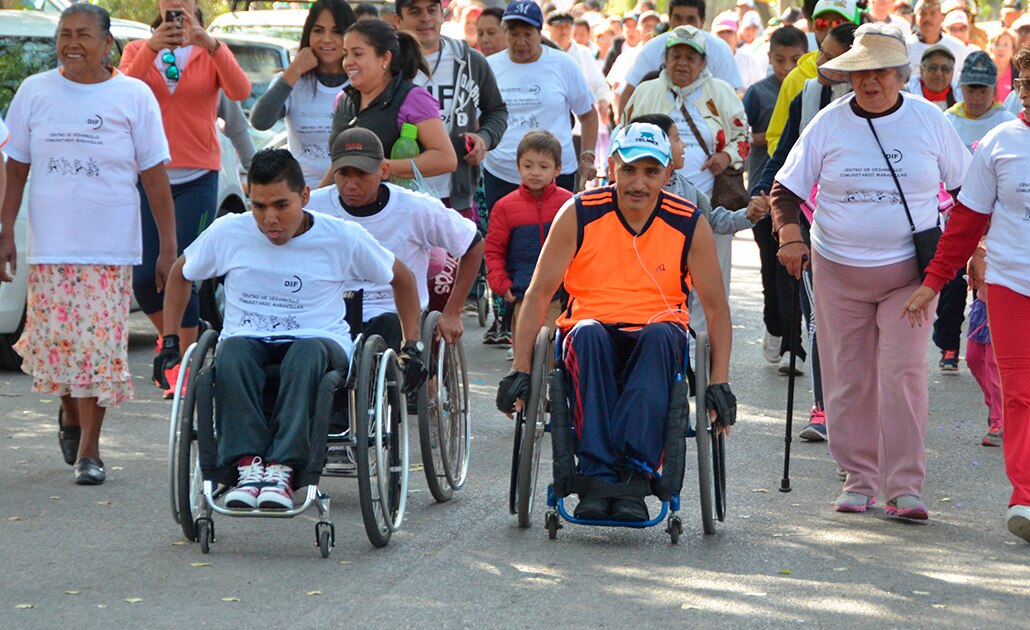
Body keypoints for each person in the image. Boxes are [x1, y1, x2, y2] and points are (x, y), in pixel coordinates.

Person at [773, 23, 971, 520]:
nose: (871, 81)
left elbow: (968, 193)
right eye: (861, 71)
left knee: (904, 373)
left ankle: (904, 486)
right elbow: (786, 190)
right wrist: (791, 237)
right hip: (838, 272)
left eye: (881, 71)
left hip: (909, 277)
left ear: (902, 75)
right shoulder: (828, 123)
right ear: (849, 75)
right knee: (849, 376)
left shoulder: (929, 121)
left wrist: (975, 250)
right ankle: (859, 477)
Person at [153, 149, 426, 509]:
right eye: (259, 206)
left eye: (281, 205)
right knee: (230, 353)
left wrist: (412, 346)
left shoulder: (341, 236)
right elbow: (180, 274)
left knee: (305, 353)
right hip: (247, 337)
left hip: (317, 340)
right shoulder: (229, 232)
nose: (270, 219)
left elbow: (402, 279)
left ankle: (283, 467)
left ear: (305, 196)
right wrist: (170, 340)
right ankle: (248, 466)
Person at [495, 122, 735, 522]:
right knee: (587, 336)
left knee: (662, 337)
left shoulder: (688, 222)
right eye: (629, 170)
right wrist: (520, 369)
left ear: (668, 174)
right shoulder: (579, 212)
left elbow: (716, 307)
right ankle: (597, 472)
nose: (639, 183)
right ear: (612, 168)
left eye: (651, 172)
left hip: (659, 329)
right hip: (591, 326)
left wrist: (719, 381)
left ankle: (632, 474)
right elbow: (538, 294)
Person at [0, 4, 176, 485]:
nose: (72, 43)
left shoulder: (133, 95)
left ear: (107, 43)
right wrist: (5, 231)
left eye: (83, 34)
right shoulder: (35, 92)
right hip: (51, 246)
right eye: (65, 34)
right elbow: (16, 168)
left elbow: (154, 177)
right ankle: (69, 412)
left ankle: (90, 452)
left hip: (109, 247)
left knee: (98, 351)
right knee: (56, 346)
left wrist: (168, 247)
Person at [901, 50, 1030, 543]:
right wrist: (934, 281)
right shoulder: (1000, 143)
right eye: (1026, 83)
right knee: (1020, 392)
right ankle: (1025, 496)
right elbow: (965, 222)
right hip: (1012, 285)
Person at [120, 0, 251, 397]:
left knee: (185, 270)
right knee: (145, 277)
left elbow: (241, 90)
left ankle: (183, 363)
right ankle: (170, 340)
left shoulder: (211, 50)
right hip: (147, 175)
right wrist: (151, 48)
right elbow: (121, 94)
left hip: (198, 175)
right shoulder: (137, 49)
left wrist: (210, 44)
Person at [751, 22, 858, 441]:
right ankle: (823, 409)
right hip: (817, 225)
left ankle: (863, 412)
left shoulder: (886, 103)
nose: (820, 63)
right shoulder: (808, 94)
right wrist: (763, 191)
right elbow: (784, 157)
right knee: (819, 319)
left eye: (832, 57)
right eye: (821, 52)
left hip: (874, 237)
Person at [306, 128, 483, 350]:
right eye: (343, 173)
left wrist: (453, 312)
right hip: (332, 314)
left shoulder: (416, 208)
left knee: (390, 327)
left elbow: (473, 244)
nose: (351, 184)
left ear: (383, 170)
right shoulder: (314, 207)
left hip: (396, 314)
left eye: (361, 174)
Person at [621, 25, 751, 303]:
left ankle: (705, 333)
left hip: (710, 201)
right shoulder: (645, 92)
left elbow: (743, 136)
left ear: (703, 62)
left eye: (690, 58)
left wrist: (726, 156)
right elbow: (623, 136)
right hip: (651, 204)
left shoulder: (722, 93)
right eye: (676, 56)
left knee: (709, 284)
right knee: (654, 278)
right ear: (665, 59)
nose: (682, 63)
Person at [932, 52, 1018, 373]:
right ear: (961, 88)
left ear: (993, 88)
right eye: (971, 89)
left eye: (983, 90)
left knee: (989, 284)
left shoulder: (1007, 122)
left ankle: (991, 341)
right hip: (955, 213)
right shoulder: (947, 120)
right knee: (953, 280)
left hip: (997, 217)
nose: (977, 97)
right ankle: (949, 344)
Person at [395, 0, 508, 224]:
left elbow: (497, 111)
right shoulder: (388, 63)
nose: (425, 18)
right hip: (401, 195)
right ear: (398, 20)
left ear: (442, 15)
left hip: (456, 194)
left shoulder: (471, 61)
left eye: (431, 10)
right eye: (415, 12)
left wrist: (483, 138)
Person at [483, 0, 597, 209]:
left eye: (528, 34)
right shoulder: (489, 67)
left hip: (556, 176)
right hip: (502, 175)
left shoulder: (563, 64)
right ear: (505, 33)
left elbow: (588, 115)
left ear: (539, 33)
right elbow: (478, 116)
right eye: (514, 34)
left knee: (559, 229)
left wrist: (587, 156)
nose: (520, 42)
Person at [742, 24, 808, 362]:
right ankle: (774, 324)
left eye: (795, 60)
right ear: (769, 58)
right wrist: (771, 136)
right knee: (770, 266)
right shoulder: (758, 92)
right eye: (780, 60)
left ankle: (792, 344)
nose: (787, 67)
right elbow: (741, 136)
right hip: (762, 189)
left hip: (796, 195)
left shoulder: (810, 90)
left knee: (791, 269)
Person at [325, 18, 457, 186]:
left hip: (394, 201)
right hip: (345, 201)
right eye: (345, 54)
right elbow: (338, 165)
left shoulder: (413, 98)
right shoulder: (343, 99)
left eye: (357, 54)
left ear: (385, 59)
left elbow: (446, 158)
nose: (347, 62)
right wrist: (312, 198)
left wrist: (383, 167)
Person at [484, 130, 572, 360]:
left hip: (560, 291)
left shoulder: (569, 203)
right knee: (524, 354)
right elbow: (494, 249)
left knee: (550, 349)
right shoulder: (505, 207)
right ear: (518, 166)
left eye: (543, 166)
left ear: (557, 169)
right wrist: (500, 282)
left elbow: (582, 246)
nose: (535, 172)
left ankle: (551, 383)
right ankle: (523, 383)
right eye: (528, 165)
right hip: (523, 290)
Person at [250, 0, 356, 188]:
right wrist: (295, 70)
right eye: (318, 30)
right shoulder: (292, 79)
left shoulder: (362, 81)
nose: (326, 39)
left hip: (351, 191)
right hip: (301, 193)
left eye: (337, 31)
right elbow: (260, 121)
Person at [764, 0, 863, 158]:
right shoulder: (796, 77)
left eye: (839, 23)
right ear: (812, 26)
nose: (830, 30)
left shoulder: (869, 86)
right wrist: (800, 162)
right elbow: (777, 139)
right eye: (822, 23)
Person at [618, 0, 744, 116]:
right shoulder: (653, 48)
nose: (684, 25)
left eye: (691, 19)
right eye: (678, 18)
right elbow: (628, 96)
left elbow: (731, 101)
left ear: (702, 21)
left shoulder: (719, 50)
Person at [906, 0, 970, 82]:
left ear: (942, 17)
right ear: (915, 18)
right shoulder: (905, 47)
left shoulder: (958, 47)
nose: (927, 18)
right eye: (922, 14)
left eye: (932, 13)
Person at [712, 12, 764, 89]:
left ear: (736, 35)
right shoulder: (704, 62)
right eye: (720, 32)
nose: (725, 36)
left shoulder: (749, 61)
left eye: (729, 32)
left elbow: (760, 90)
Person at [909, 45, 961, 110]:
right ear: (922, 70)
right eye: (933, 68)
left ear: (952, 72)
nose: (938, 73)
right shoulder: (907, 96)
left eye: (945, 69)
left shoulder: (963, 98)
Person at [989, 29, 1018, 103]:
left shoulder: (1019, 72)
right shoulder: (982, 69)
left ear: (1013, 49)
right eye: (997, 44)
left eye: (1006, 45)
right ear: (991, 47)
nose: (1001, 48)